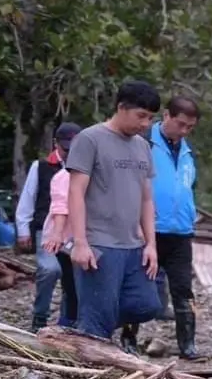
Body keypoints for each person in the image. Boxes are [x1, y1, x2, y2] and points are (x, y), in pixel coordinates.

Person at [66, 81, 164, 342]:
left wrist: (151, 244)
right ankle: (88, 352)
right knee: (99, 320)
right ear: (121, 107)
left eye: (150, 118)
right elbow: (75, 192)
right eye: (140, 116)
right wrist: (80, 242)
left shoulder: (142, 146)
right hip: (99, 244)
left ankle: (81, 327)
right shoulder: (90, 139)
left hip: (133, 245)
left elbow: (146, 198)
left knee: (148, 304)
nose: (145, 124)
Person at [120, 96, 203, 358]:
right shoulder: (143, 142)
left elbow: (188, 186)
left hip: (180, 231)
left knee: (183, 289)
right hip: (148, 229)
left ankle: (187, 343)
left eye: (190, 127)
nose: (184, 131)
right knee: (137, 285)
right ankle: (129, 337)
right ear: (166, 116)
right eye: (181, 124)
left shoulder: (188, 151)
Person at [15, 122, 81, 330]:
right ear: (56, 144)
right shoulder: (41, 166)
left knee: (73, 276)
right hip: (48, 227)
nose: (69, 153)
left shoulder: (86, 168)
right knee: (50, 269)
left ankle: (67, 321)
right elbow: (28, 198)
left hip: (75, 230)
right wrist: (23, 229)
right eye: (65, 148)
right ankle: (40, 317)